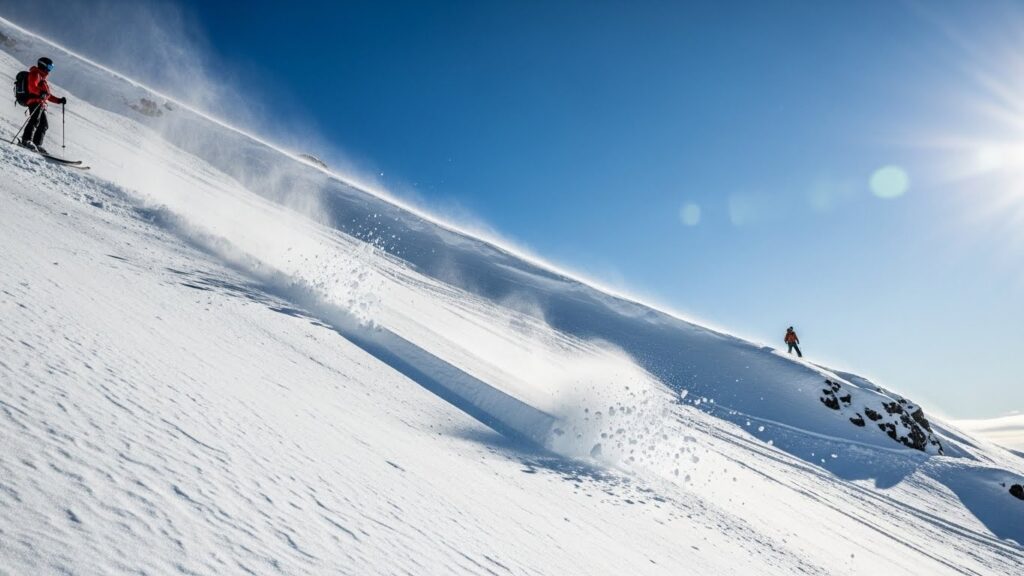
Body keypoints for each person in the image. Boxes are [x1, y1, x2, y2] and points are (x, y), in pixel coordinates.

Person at [20, 57, 68, 154]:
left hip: (41, 103)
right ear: (43, 65)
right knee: (34, 121)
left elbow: (47, 96)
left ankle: (37, 144)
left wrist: (59, 100)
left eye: (52, 67)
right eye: (49, 67)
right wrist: (41, 93)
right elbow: (32, 87)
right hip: (34, 101)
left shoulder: (43, 79)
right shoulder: (35, 73)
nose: (50, 69)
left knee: (44, 125)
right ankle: (26, 140)